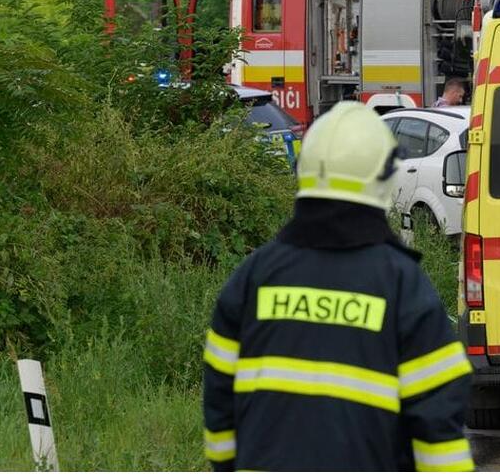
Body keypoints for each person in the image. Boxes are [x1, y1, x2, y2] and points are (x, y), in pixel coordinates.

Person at [202, 102, 474, 472]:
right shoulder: (403, 288)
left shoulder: (253, 277)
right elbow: (439, 430)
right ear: (383, 178)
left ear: (305, 171)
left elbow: (220, 406)